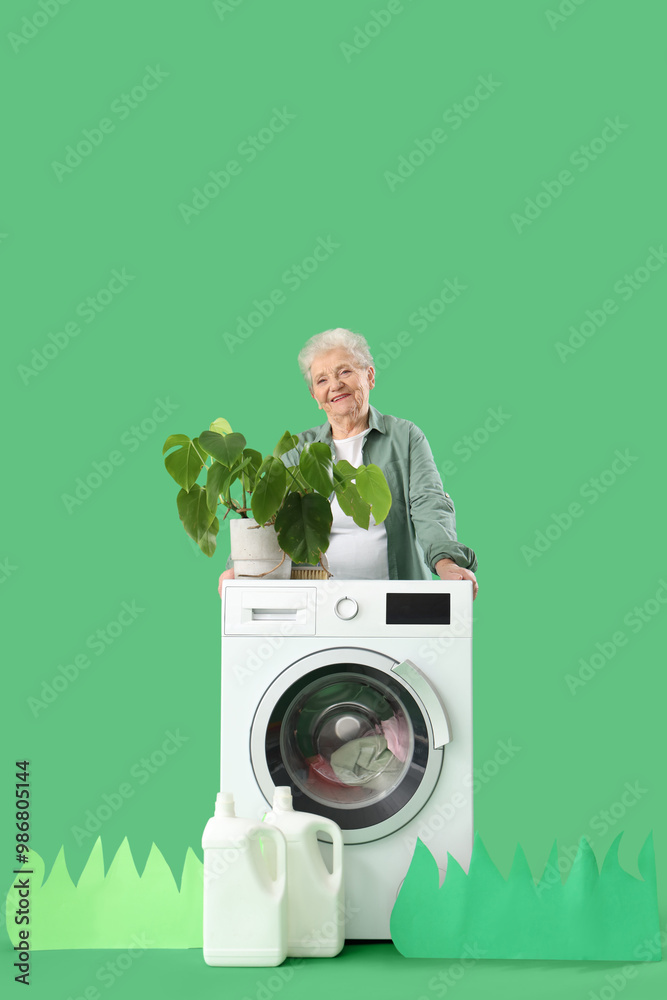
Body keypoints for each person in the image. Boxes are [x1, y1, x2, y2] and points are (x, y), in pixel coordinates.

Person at [219, 328, 478, 597]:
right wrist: (237, 568)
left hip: (395, 598)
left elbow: (429, 504)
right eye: (322, 380)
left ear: (370, 376)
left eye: (344, 372)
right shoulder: (299, 450)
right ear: (314, 396)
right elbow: (269, 514)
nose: (335, 385)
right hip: (316, 600)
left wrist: (446, 562)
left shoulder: (405, 437)